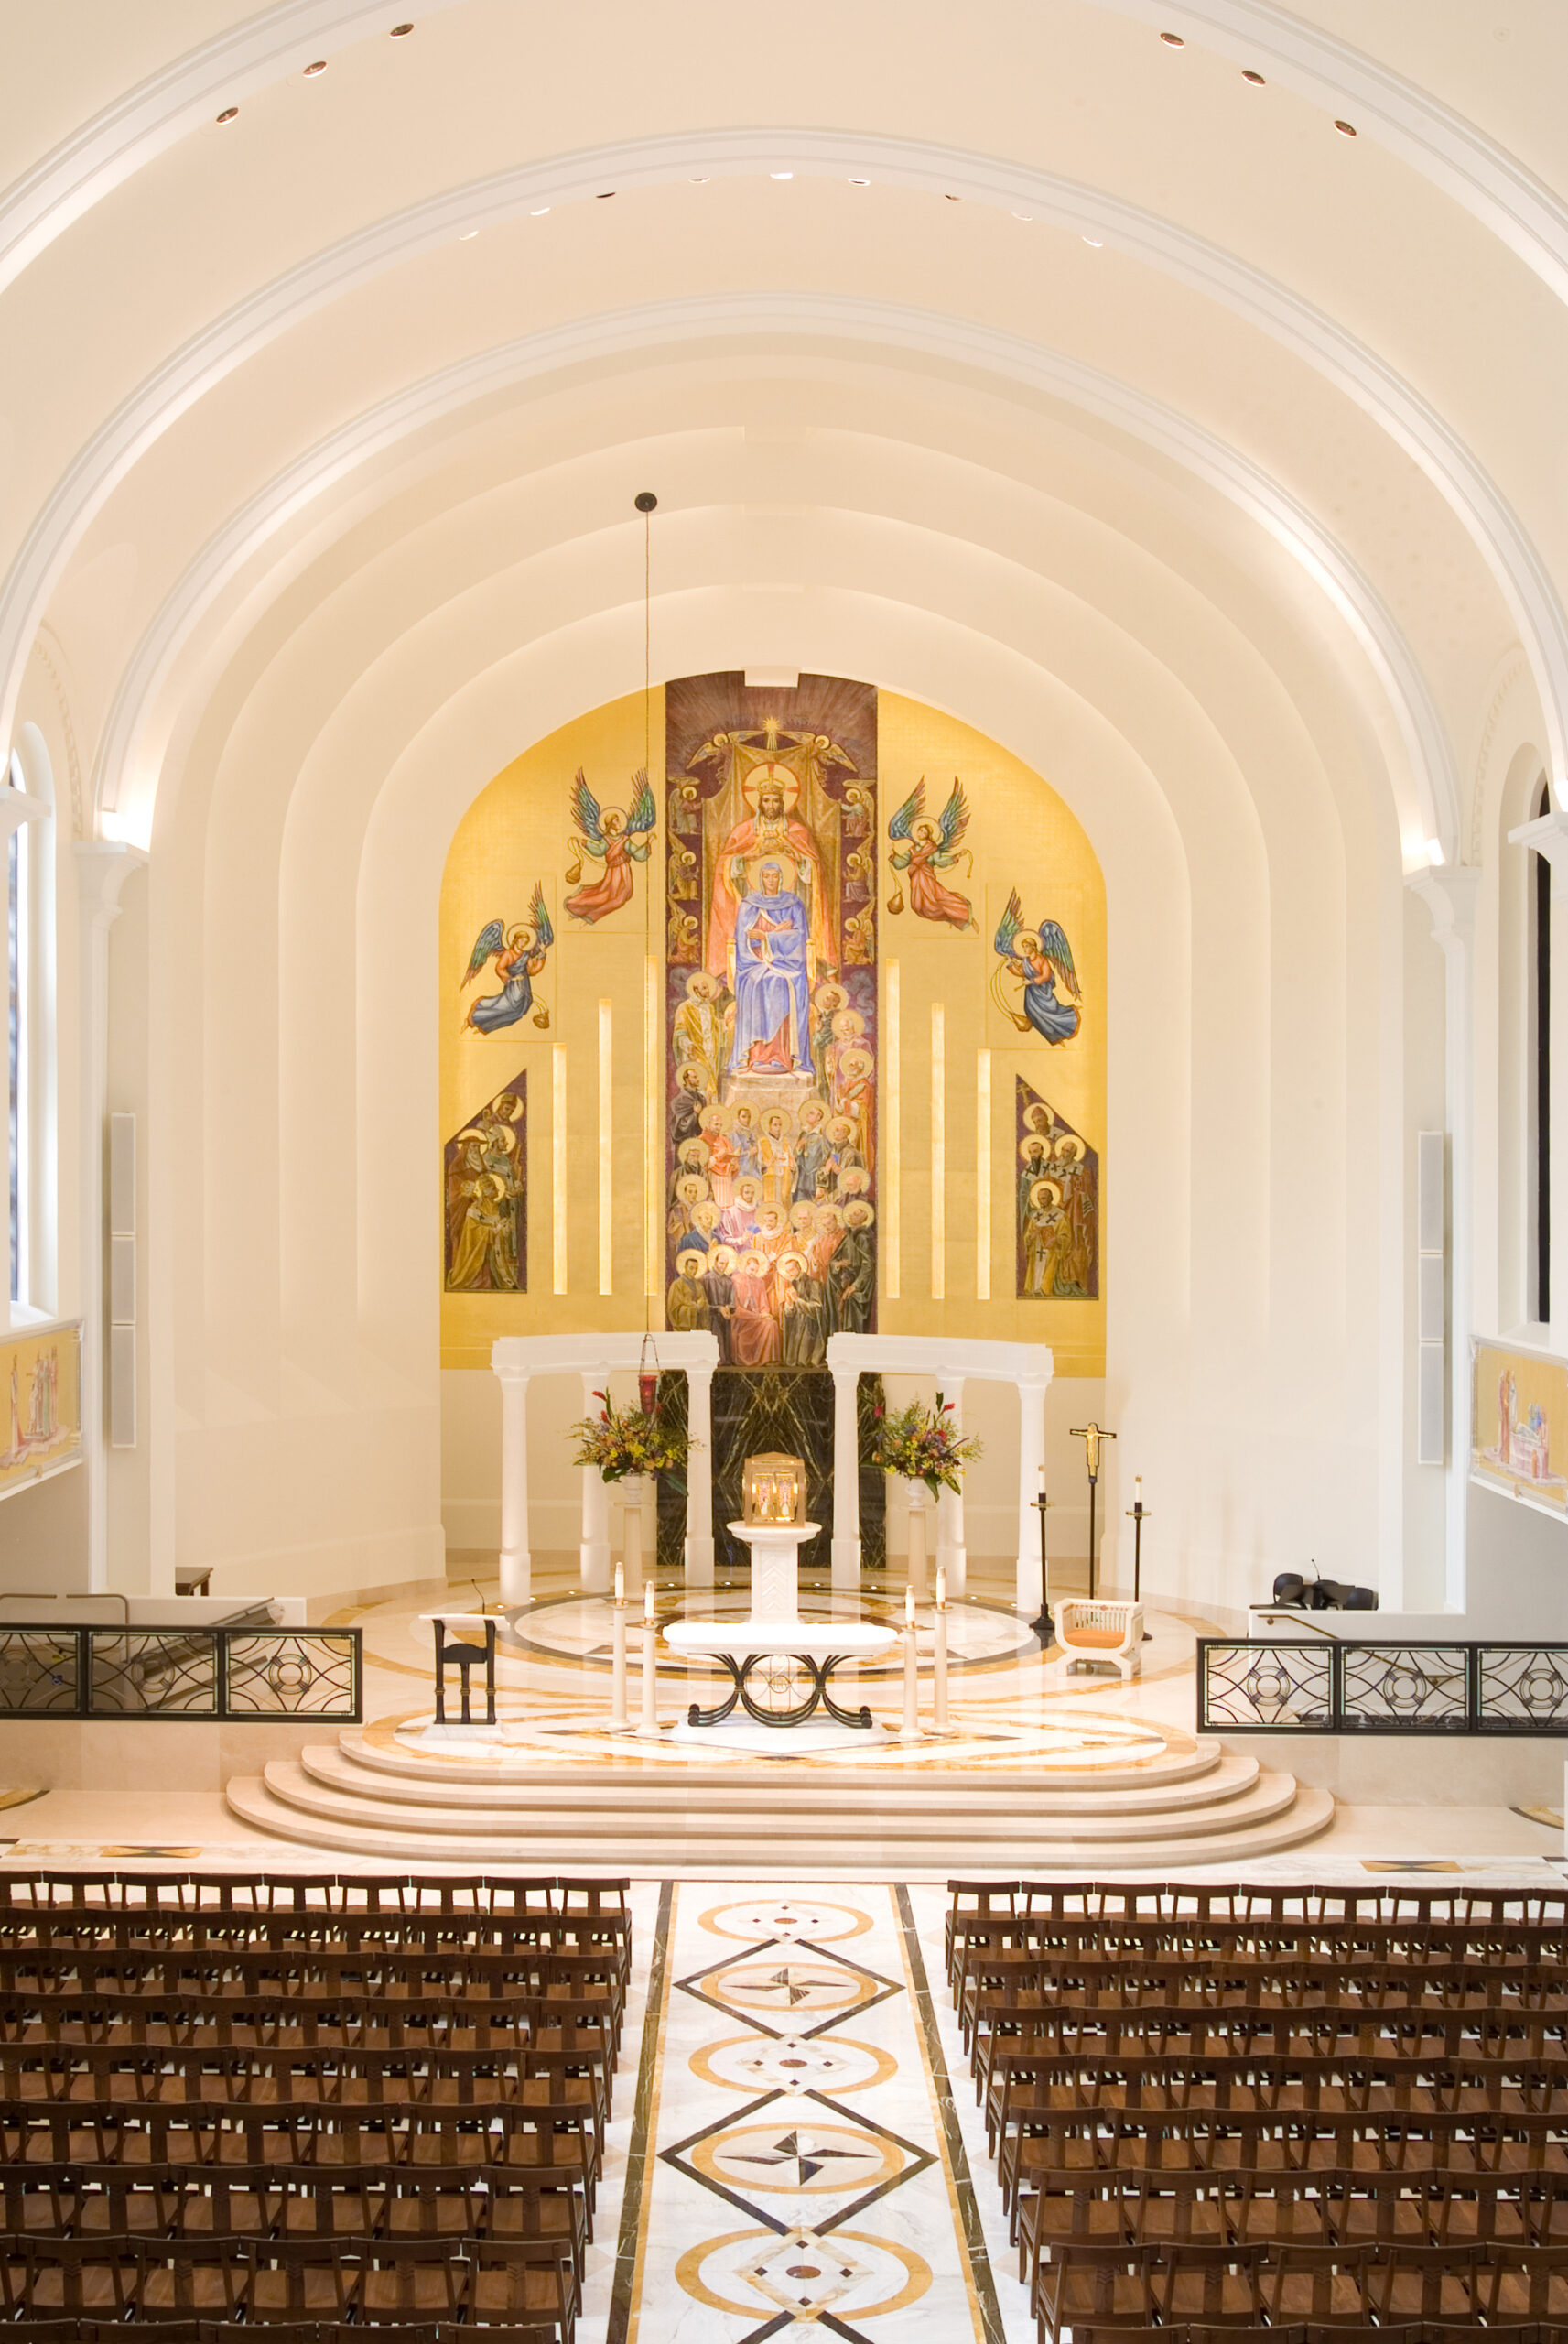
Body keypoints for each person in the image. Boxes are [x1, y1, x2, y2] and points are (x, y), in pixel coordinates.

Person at [706, 770, 833, 985]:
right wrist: (747, 857)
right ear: (760, 803)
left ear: (782, 802)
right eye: (767, 800)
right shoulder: (744, 831)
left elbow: (813, 873)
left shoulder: (798, 832)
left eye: (776, 800)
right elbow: (725, 867)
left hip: (789, 902)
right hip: (753, 901)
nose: (771, 805)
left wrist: (796, 857)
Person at [729, 863, 813, 1073]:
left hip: (787, 964)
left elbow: (800, 938)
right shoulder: (750, 905)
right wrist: (777, 933)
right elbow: (744, 939)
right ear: (760, 878)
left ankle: (782, 1056)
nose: (771, 880)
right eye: (767, 876)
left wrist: (769, 936)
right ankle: (757, 1056)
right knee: (757, 982)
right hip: (754, 963)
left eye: (775, 876)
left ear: (781, 878)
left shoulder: (793, 904)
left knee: (779, 983)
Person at [731, 1247, 781, 1366]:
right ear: (745, 1266)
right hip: (741, 1320)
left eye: (756, 1270)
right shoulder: (734, 1281)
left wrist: (765, 1314)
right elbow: (736, 1309)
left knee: (771, 1324)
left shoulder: (759, 1282)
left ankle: (768, 1360)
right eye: (752, 1269)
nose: (754, 1272)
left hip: (756, 1320)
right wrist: (758, 1316)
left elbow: (764, 1304)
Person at [777, 1249, 827, 1364]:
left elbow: (816, 1309)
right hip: (796, 1326)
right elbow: (790, 1313)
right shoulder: (792, 1284)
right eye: (788, 1271)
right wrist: (789, 1305)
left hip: (809, 1326)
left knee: (803, 1360)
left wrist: (797, 1300)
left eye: (792, 1270)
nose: (790, 1273)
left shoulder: (814, 1283)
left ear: (799, 1267)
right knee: (792, 1360)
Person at [700, 1243, 738, 1363]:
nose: (723, 1266)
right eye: (721, 1263)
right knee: (716, 1344)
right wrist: (718, 1309)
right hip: (711, 1318)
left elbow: (733, 1302)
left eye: (726, 1264)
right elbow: (703, 1303)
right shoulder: (706, 1279)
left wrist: (728, 1308)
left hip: (725, 1319)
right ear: (715, 1262)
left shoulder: (729, 1281)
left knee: (726, 1344)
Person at [667, 1248, 709, 1332]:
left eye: (696, 1268)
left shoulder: (698, 1284)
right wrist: (694, 1306)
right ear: (685, 1267)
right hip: (684, 1326)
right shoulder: (677, 1284)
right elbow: (674, 1306)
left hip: (697, 1324)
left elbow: (704, 1301)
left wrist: (702, 1304)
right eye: (691, 1268)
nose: (694, 1271)